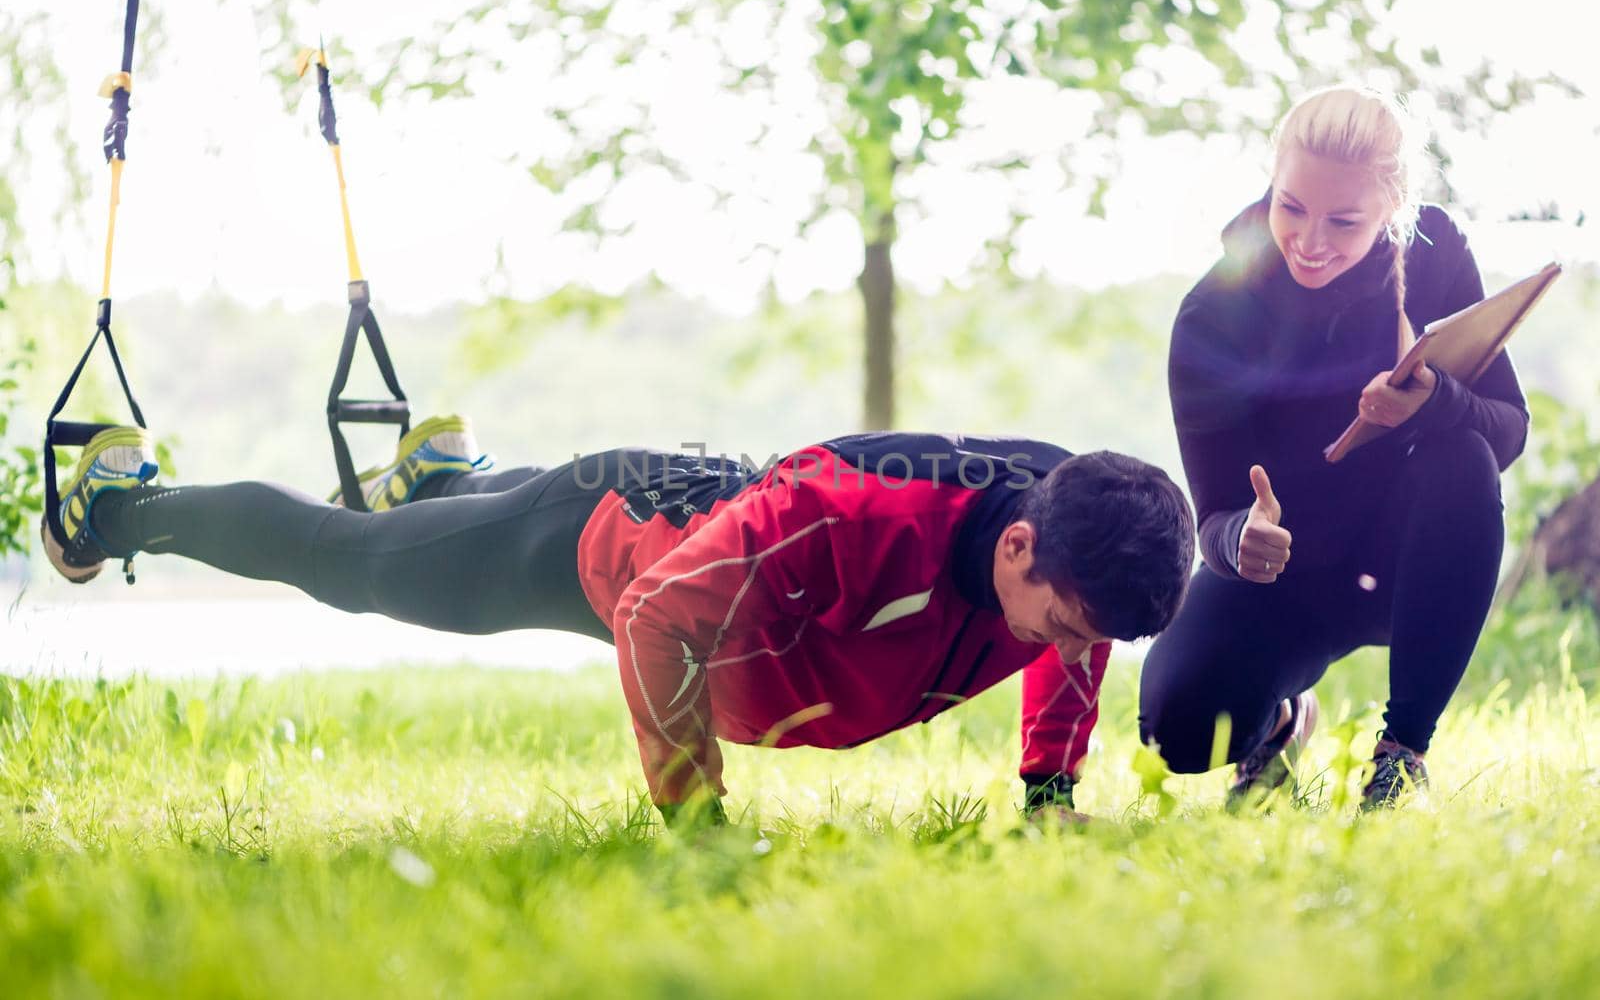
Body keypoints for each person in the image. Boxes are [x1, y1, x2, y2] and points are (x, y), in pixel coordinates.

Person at [44, 416, 1195, 825]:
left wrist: (1049, 797)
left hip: (697, 520)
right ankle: (120, 503)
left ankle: (442, 472)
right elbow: (655, 618)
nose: (1069, 656)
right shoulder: (849, 516)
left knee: (451, 524)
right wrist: (695, 824)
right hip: (597, 545)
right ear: (1016, 547)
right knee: (351, 564)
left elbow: (1076, 643)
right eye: (1070, 625)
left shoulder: (1065, 537)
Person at [1141, 87, 1528, 810]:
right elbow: (1216, 513)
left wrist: (1435, 399)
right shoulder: (1215, 310)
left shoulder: (1435, 255)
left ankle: (1401, 753)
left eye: (1344, 221)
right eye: (1291, 208)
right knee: (1177, 728)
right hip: (1282, 575)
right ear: (1272, 184)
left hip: (1405, 561)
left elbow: (1508, 427)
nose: (1310, 241)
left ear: (1393, 209)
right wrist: (1239, 542)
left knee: (1462, 453)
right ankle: (1280, 726)